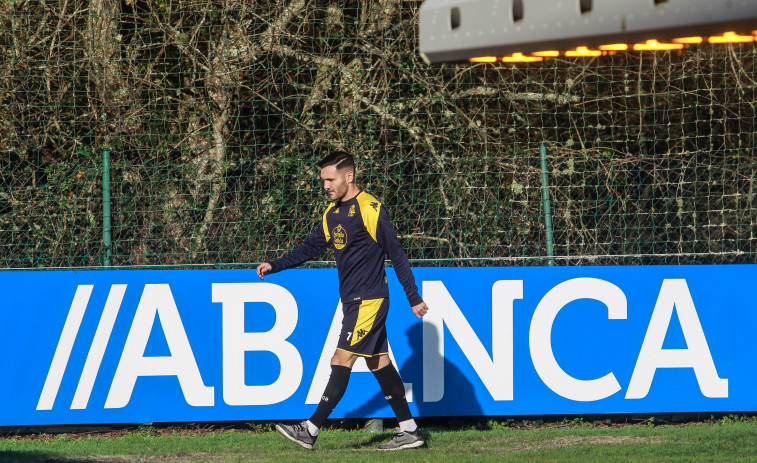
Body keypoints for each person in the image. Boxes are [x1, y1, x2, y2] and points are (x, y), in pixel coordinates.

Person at [256, 151, 429, 451]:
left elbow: (396, 253)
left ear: (349, 176)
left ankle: (309, 430)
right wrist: (276, 265)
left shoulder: (370, 208)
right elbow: (310, 247)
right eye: (323, 180)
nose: (325, 185)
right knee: (379, 364)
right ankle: (409, 430)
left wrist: (413, 296)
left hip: (369, 299)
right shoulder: (332, 213)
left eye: (330, 179)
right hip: (353, 300)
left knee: (340, 360)